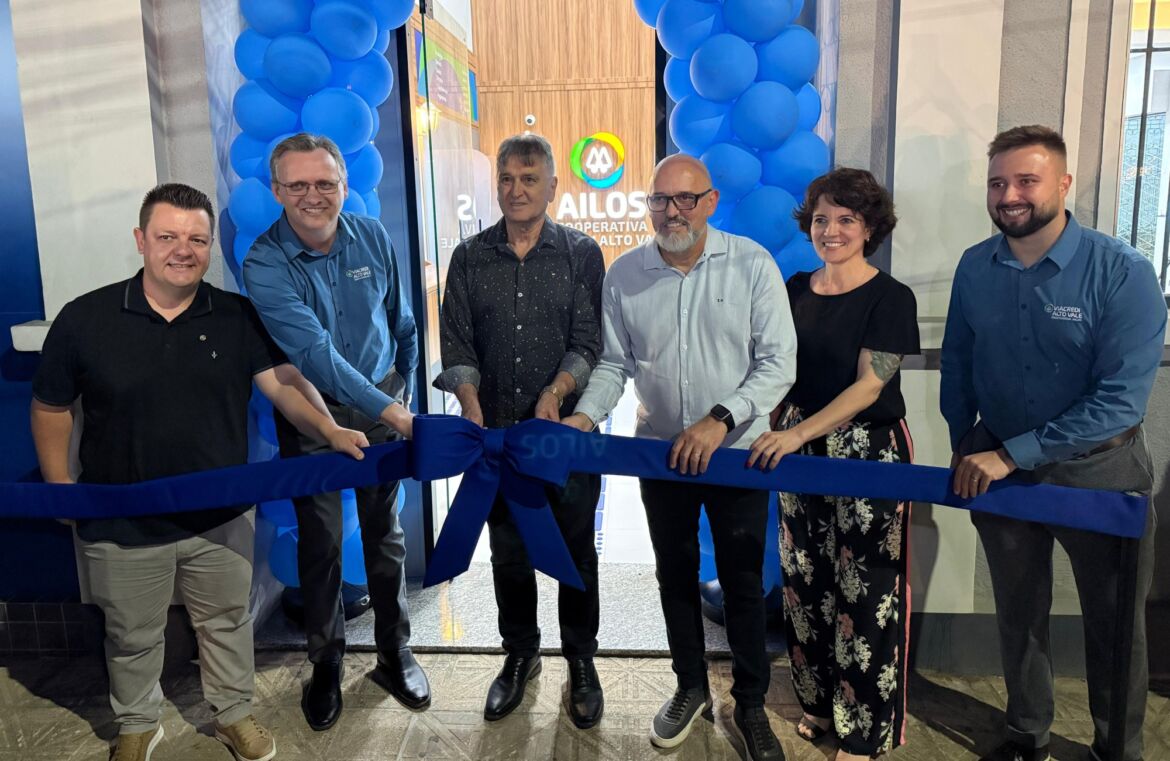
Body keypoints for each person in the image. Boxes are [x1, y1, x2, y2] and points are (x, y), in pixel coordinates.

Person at [30, 183, 370, 761]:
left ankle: (233, 713)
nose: (183, 250)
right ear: (141, 240)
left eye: (197, 239)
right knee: (130, 632)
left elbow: (283, 383)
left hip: (220, 516)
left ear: (210, 246)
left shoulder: (236, 315)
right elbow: (50, 407)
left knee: (226, 623)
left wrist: (329, 429)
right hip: (121, 520)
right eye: (168, 236)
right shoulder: (84, 318)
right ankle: (137, 724)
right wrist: (59, 487)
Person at [941, 125, 1165, 761]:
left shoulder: (1123, 272)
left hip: (1102, 474)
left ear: (1063, 184)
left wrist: (1008, 454)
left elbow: (1119, 400)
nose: (1009, 195)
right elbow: (958, 362)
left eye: (1026, 180)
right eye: (997, 183)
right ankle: (1027, 733)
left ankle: (1116, 749)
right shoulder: (974, 266)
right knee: (1018, 611)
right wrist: (963, 441)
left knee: (1114, 625)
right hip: (999, 470)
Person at [563, 154, 797, 760]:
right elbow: (614, 364)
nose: (672, 212)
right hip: (660, 456)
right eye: (660, 200)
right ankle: (690, 687)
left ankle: (750, 703)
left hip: (738, 454)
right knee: (674, 575)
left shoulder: (752, 264)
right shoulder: (625, 274)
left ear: (710, 202)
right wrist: (583, 419)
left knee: (743, 581)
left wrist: (720, 420)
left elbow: (778, 364)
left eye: (685, 199)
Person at [242, 133, 428, 730]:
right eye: (297, 184)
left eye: (325, 182)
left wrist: (404, 389)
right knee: (320, 541)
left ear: (344, 186)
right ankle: (325, 661)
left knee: (385, 533)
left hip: (384, 404)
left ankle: (395, 650)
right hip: (311, 414)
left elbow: (402, 320)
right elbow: (314, 353)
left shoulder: (371, 234)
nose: (313, 195)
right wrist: (397, 413)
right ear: (277, 191)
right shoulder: (263, 263)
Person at [434, 133, 606, 727]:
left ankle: (580, 660)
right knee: (508, 552)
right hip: (497, 445)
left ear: (552, 186)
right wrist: (468, 399)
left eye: (529, 179)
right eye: (506, 179)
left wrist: (555, 394)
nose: (516, 190)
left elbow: (589, 342)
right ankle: (520, 654)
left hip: (563, 438)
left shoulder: (582, 253)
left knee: (577, 551)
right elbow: (456, 342)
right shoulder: (469, 257)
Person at [748, 168, 918, 760]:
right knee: (804, 582)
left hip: (868, 451)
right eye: (822, 218)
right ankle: (819, 702)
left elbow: (871, 386)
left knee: (865, 592)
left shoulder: (892, 297)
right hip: (797, 450)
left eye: (847, 219)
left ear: (870, 228)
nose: (832, 230)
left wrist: (796, 433)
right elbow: (774, 364)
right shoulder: (794, 287)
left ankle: (864, 732)